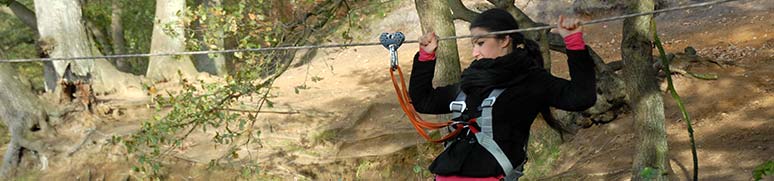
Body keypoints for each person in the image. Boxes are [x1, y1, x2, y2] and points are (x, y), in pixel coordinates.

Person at [408, 8, 597, 180]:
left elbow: (582, 96)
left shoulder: (530, 82)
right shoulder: (470, 85)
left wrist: (574, 43)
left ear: (505, 40)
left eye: (481, 43)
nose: (475, 53)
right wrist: (426, 56)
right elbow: (423, 101)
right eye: (473, 44)